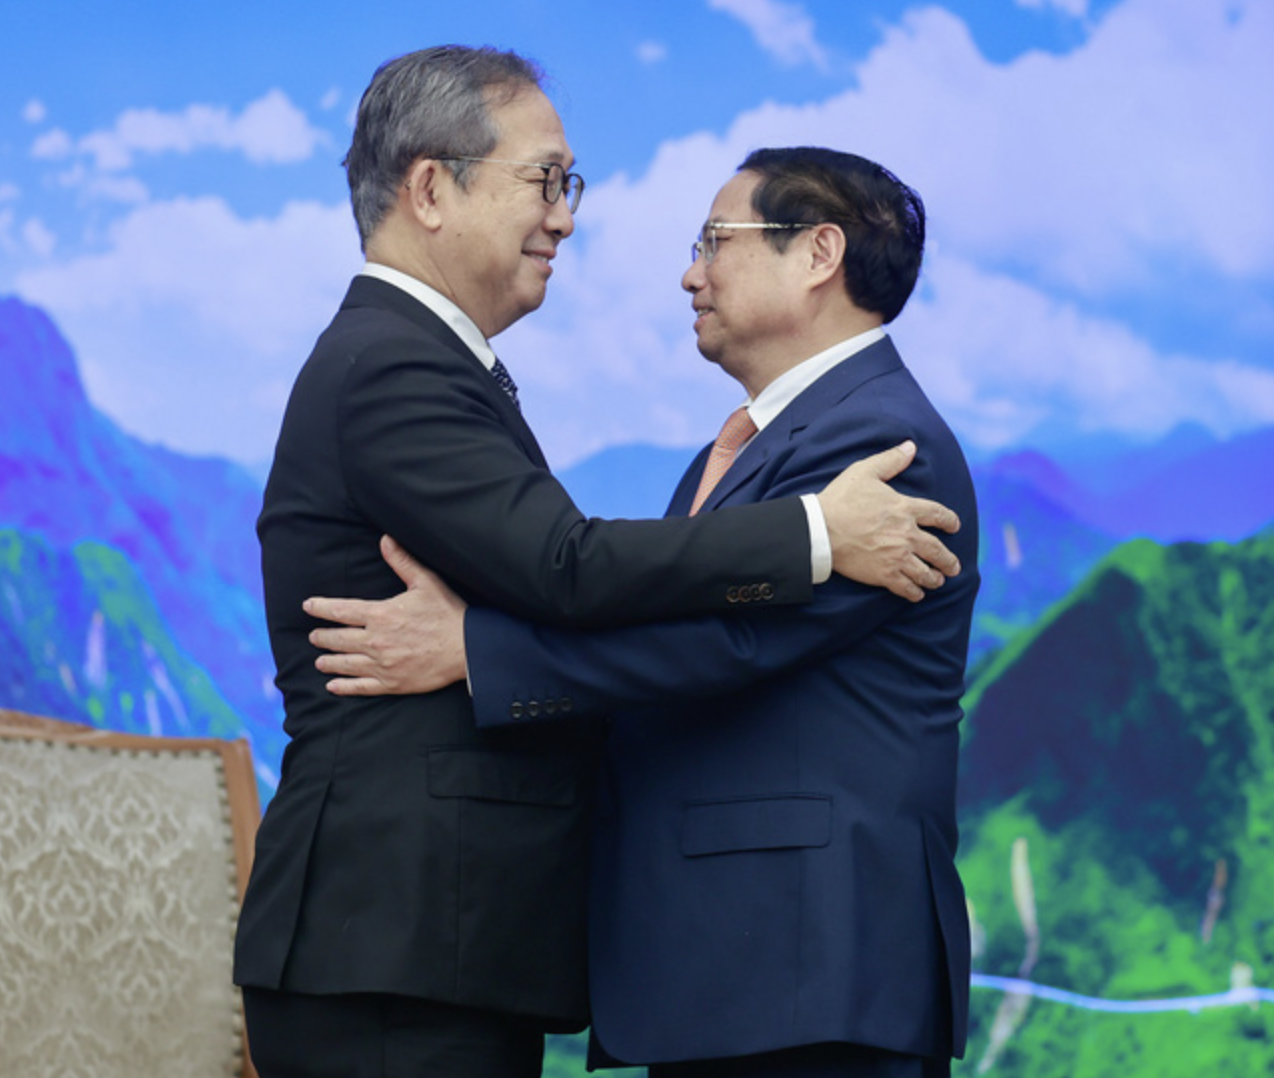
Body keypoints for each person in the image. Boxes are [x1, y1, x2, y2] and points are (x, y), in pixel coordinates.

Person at [233, 44, 963, 1078]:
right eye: (545, 181)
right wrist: (812, 533)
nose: (566, 216)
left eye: (715, 239)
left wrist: (478, 652)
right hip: (395, 942)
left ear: (817, 256)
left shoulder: (882, 450)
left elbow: (718, 635)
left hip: (775, 968)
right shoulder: (394, 362)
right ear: (431, 188)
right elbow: (567, 568)